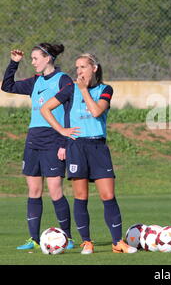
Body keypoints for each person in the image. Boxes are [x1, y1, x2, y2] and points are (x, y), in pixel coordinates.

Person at [40, 53, 136, 254]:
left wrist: (84, 91)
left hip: (98, 147)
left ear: (94, 68)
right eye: (77, 68)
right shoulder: (70, 90)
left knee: (108, 195)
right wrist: (62, 131)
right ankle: (87, 242)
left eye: (83, 67)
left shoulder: (105, 89)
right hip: (77, 147)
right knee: (81, 196)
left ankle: (117, 242)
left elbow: (96, 112)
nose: (79, 71)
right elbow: (45, 109)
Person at [1, 44, 74, 250]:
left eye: (35, 58)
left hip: (54, 139)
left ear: (48, 58)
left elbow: (68, 112)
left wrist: (64, 142)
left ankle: (67, 238)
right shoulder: (35, 81)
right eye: (31, 58)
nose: (32, 62)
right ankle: (33, 239)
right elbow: (7, 86)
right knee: (34, 190)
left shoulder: (63, 80)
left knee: (55, 191)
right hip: (33, 139)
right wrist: (14, 63)